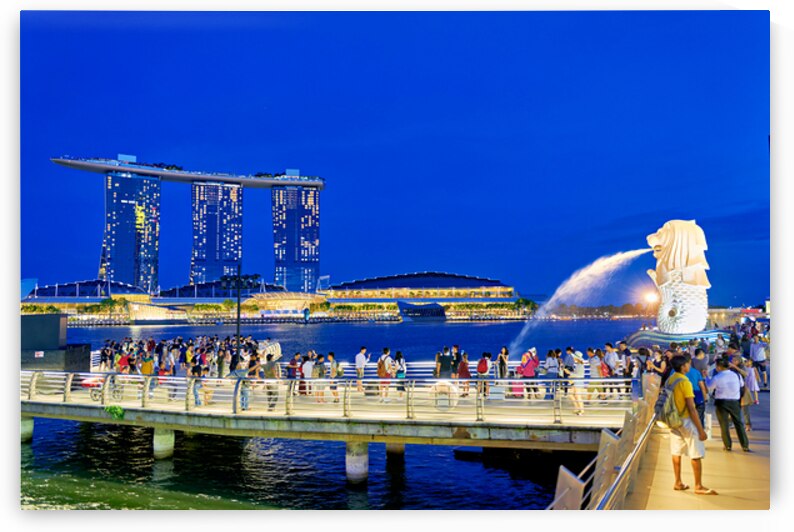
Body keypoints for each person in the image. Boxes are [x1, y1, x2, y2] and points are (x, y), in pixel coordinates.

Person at [667, 355, 715, 495]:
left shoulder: (670, 380)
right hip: (686, 420)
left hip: (673, 420)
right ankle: (698, 486)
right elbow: (691, 407)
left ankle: (678, 482)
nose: (689, 366)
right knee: (696, 453)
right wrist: (701, 430)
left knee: (676, 451)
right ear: (683, 367)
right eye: (688, 364)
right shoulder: (684, 382)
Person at [707, 357, 750, 452]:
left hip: (721, 402)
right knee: (738, 423)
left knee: (724, 424)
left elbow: (709, 386)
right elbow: (742, 385)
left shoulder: (717, 377)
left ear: (718, 367)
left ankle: (728, 445)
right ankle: (745, 445)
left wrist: (706, 377)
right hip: (735, 401)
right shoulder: (736, 375)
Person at [684, 353, 708, 428]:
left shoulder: (675, 371)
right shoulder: (696, 372)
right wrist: (704, 398)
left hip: (683, 394)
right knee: (699, 416)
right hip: (696, 394)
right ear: (690, 361)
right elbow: (702, 387)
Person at [742, 357, 761, 431]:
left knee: (755, 390)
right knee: (748, 390)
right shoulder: (745, 367)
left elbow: (756, 374)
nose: (748, 362)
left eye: (749, 361)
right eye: (747, 361)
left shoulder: (753, 368)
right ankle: (750, 398)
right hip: (748, 380)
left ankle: (756, 399)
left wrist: (758, 378)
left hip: (753, 380)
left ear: (752, 362)